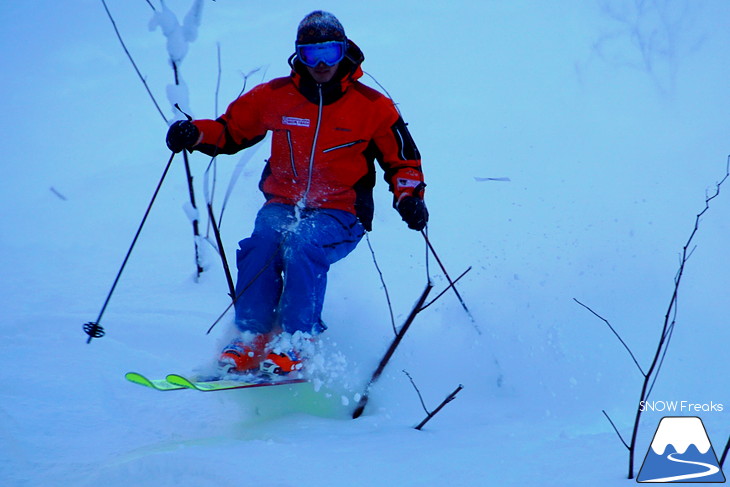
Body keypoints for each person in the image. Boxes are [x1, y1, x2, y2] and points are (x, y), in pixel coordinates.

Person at [166, 10, 428, 377]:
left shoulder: (372, 107)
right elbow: (229, 131)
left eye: (330, 53)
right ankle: (250, 336)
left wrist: (409, 196)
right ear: (298, 56)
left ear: (344, 51)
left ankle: (297, 340)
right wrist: (195, 134)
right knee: (262, 244)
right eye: (311, 54)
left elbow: (403, 161)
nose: (321, 64)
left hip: (340, 212)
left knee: (303, 243)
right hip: (283, 203)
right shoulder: (274, 97)